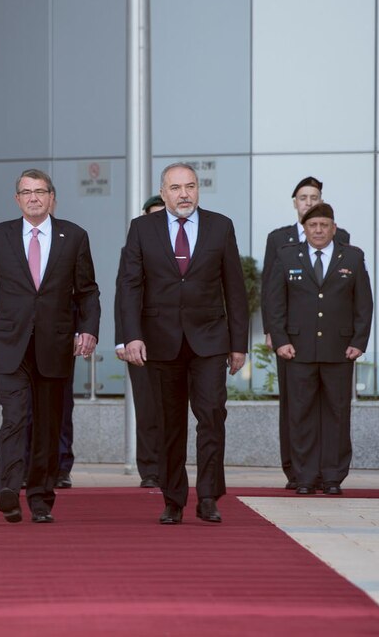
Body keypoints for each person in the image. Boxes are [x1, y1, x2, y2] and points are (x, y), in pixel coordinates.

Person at [0, 169, 99, 524]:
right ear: (17, 199)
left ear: (52, 197)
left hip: (54, 346)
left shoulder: (74, 237)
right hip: (10, 344)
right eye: (26, 192)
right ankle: (7, 488)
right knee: (15, 417)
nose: (33, 197)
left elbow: (87, 291)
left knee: (48, 425)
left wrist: (88, 330)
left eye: (40, 192)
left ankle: (40, 498)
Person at [118, 163, 249, 525]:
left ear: (198, 190)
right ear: (163, 193)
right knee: (169, 423)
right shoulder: (142, 229)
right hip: (161, 342)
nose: (184, 194)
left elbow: (234, 288)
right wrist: (131, 335)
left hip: (209, 341)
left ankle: (208, 496)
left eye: (190, 186)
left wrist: (239, 344)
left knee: (211, 417)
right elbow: (129, 285)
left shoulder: (220, 226)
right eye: (175, 188)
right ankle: (173, 498)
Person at [263, 203, 372, 496]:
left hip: (339, 350)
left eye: (325, 225)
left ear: (334, 228)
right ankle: (305, 476)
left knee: (337, 414)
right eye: (313, 226)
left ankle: (333, 476)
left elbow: (364, 303)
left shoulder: (352, 255)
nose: (319, 230)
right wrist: (281, 339)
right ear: (305, 228)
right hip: (297, 351)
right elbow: (274, 303)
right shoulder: (286, 256)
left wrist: (358, 342)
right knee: (301, 414)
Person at [114, 194, 166, 489]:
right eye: (153, 215)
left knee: (169, 407)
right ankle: (149, 469)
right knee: (146, 406)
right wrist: (122, 339)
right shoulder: (132, 248)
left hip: (172, 338)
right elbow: (124, 293)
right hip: (139, 339)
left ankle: (170, 465)